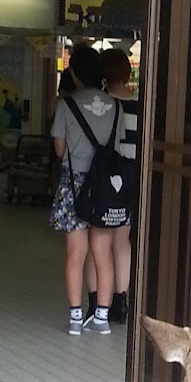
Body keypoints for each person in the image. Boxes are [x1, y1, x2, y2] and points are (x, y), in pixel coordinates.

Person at [51, 42, 131, 334]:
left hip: (74, 184)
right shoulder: (116, 106)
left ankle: (74, 318)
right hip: (105, 186)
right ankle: (101, 317)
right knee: (103, 251)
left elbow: (60, 151)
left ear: (73, 73)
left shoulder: (66, 104)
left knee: (76, 253)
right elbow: (116, 145)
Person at [98, 45, 138, 323]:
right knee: (123, 240)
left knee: (100, 240)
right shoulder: (141, 103)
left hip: (107, 174)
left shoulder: (101, 103)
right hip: (133, 174)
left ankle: (101, 300)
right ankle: (121, 300)